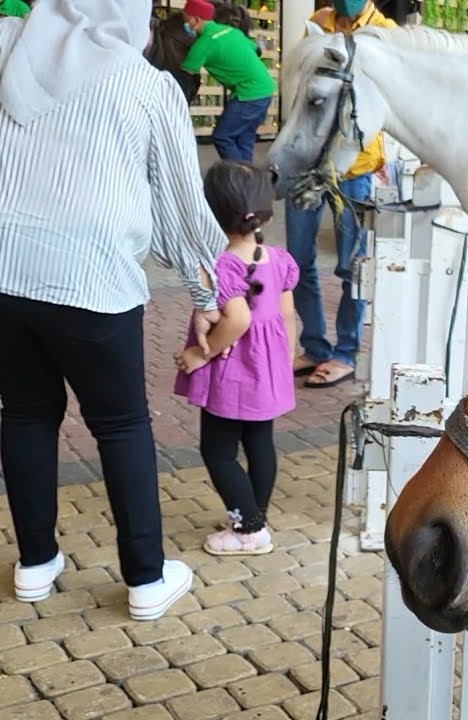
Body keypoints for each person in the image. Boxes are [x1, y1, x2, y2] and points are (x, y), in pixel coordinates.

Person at [0, 0, 227, 620]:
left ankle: (35, 563)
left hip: (6, 273)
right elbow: (181, 205)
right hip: (94, 281)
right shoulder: (147, 86)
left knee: (24, 414)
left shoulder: (9, 50)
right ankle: (146, 578)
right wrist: (206, 295)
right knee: (121, 424)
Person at [175, 161, 298, 556]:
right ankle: (253, 515)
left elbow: (238, 319)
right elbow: (287, 316)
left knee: (218, 451)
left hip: (234, 374)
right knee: (260, 443)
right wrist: (285, 360)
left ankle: (248, 529)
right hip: (267, 368)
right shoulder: (278, 259)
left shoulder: (223, 265)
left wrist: (201, 353)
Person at [287, 0, 395, 389]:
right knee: (297, 260)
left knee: (351, 267)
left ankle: (346, 352)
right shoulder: (318, 24)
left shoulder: (384, 32)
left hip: (355, 166)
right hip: (308, 162)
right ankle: (315, 346)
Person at [179, 0, 276, 162]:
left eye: (186, 20)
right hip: (266, 90)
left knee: (223, 136)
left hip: (248, 94)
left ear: (196, 19)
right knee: (244, 138)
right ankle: (246, 174)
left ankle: (236, 172)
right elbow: (257, 49)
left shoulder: (204, 43)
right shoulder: (231, 31)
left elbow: (185, 74)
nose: (185, 25)